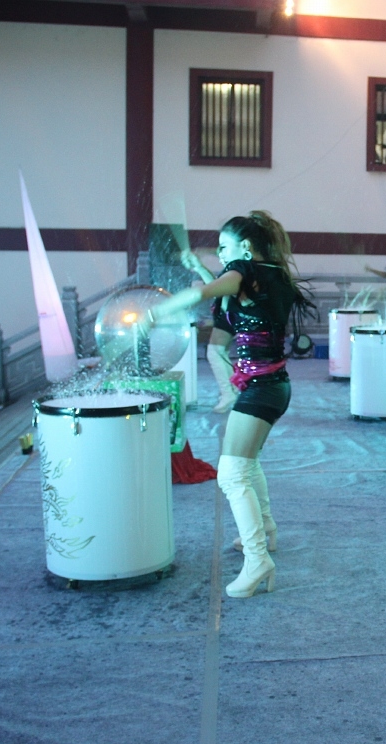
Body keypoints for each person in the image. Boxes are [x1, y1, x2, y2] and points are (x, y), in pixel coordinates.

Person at [146, 211, 316, 598]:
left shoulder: (244, 270)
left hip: (261, 389)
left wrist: (158, 311)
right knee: (246, 464)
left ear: (246, 247)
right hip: (273, 386)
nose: (221, 254)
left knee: (231, 474)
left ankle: (258, 561)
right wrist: (203, 270)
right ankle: (265, 529)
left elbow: (206, 293)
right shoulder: (273, 274)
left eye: (224, 247)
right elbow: (222, 290)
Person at [180, 251, 240, 414]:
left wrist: (199, 267)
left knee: (215, 352)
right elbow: (215, 285)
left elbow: (217, 289)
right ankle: (233, 390)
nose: (221, 254)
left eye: (224, 248)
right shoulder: (234, 268)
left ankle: (229, 393)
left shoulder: (238, 268)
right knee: (219, 353)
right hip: (227, 314)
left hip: (228, 314)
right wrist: (199, 267)